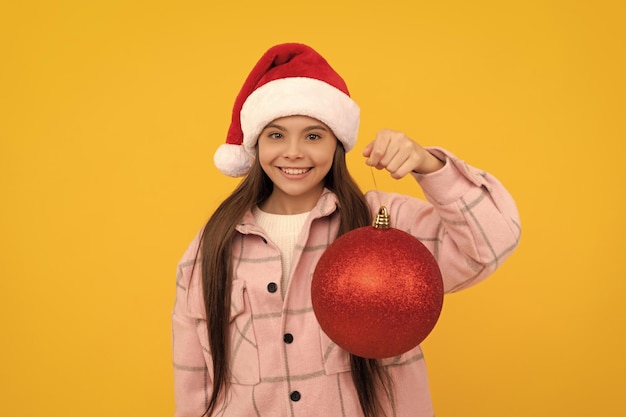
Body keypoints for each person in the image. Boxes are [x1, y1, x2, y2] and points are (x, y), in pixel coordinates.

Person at [172, 43, 521, 417]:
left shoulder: (384, 225)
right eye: (276, 135)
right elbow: (194, 382)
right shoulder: (214, 244)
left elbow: (492, 241)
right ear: (255, 144)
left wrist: (429, 165)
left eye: (313, 136)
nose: (293, 152)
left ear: (337, 144)